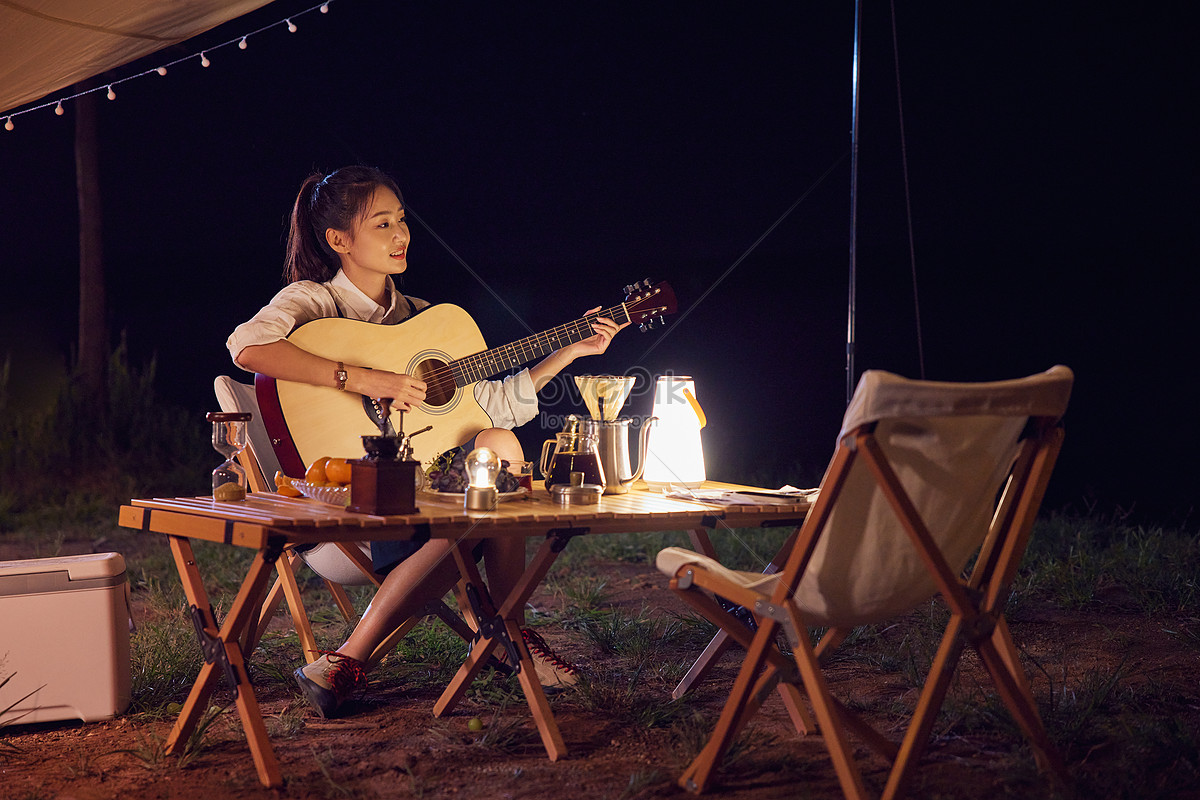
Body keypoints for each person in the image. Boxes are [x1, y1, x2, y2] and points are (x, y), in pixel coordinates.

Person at [226, 165, 628, 717]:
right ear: (339, 241)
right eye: (383, 224)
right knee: (488, 497)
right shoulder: (314, 303)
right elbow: (247, 348)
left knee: (500, 444)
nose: (401, 236)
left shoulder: (425, 321)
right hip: (352, 499)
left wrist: (571, 351)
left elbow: (494, 405)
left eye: (403, 221)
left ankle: (353, 660)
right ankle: (505, 635)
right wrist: (362, 377)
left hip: (433, 494)